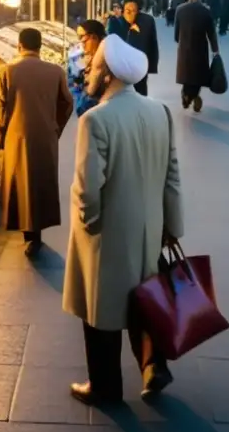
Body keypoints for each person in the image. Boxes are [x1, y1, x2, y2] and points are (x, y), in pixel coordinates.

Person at [63, 35, 183, 405]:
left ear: (108, 72)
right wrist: (172, 227)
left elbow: (88, 187)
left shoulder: (95, 120)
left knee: (101, 311)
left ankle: (104, 386)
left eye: (95, 66)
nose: (90, 72)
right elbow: (172, 175)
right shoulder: (159, 112)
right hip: (149, 228)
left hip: (109, 232)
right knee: (145, 298)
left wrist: (90, 223)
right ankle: (152, 366)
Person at [0, 28, 73, 257]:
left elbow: (0, 110)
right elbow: (67, 103)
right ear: (40, 47)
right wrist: (54, 126)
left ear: (19, 45)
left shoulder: (7, 71)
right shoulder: (55, 71)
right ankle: (36, 232)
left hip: (16, 136)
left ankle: (28, 233)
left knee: (20, 183)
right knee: (41, 182)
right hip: (46, 135)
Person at [174, 0, 220, 112]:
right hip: (200, 46)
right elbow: (211, 32)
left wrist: (180, 40)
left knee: (186, 74)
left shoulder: (180, 9)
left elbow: (176, 32)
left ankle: (187, 95)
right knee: (198, 74)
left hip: (185, 46)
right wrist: (215, 48)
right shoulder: (205, 10)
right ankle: (193, 95)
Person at [122, 0, 159, 97]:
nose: (130, 13)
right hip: (122, 65)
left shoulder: (146, 22)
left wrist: (152, 64)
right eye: (127, 11)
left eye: (133, 11)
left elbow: (152, 44)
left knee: (140, 89)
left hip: (140, 64)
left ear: (138, 11)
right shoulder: (117, 22)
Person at [72, 19, 107, 117]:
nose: (81, 43)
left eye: (83, 38)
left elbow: (91, 93)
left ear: (94, 37)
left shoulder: (106, 60)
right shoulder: (82, 59)